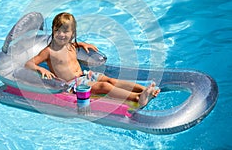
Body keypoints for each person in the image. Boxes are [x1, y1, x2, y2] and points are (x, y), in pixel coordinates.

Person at [25, 12, 160, 107]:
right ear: (53, 30)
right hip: (73, 85)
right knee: (104, 86)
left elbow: (75, 45)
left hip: (84, 76)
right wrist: (40, 68)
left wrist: (84, 44)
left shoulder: (70, 44)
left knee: (110, 80)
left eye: (65, 32)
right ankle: (136, 98)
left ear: (73, 33)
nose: (61, 35)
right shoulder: (49, 51)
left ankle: (144, 90)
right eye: (57, 30)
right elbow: (29, 63)